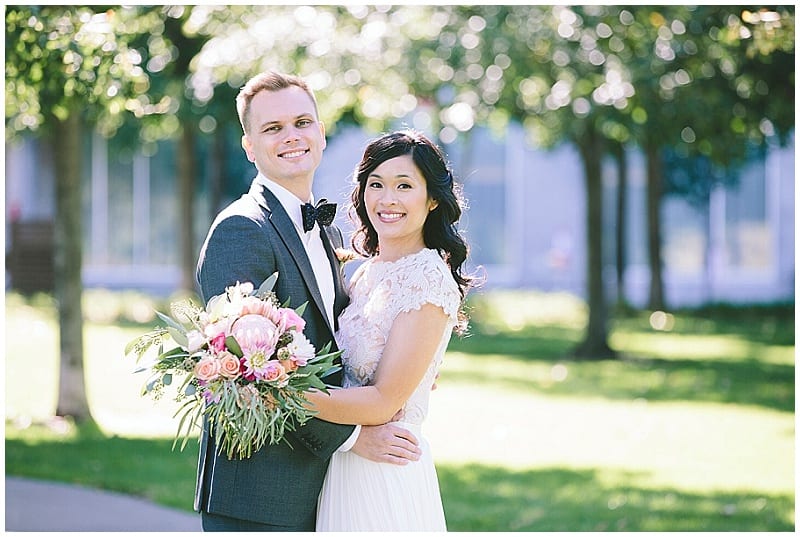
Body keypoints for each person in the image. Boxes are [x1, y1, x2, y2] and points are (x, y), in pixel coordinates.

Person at [194, 71, 422, 532]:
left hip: (329, 494)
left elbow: (333, 343)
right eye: (273, 129)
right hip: (260, 494)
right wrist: (353, 436)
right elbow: (248, 376)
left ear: (320, 132)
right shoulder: (241, 230)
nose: (292, 136)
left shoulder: (327, 230)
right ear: (249, 146)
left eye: (302, 122)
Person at [307, 129, 473, 531]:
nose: (388, 199)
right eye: (376, 184)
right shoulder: (366, 273)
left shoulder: (428, 279)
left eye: (404, 186)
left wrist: (284, 396)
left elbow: (384, 401)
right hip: (345, 465)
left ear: (433, 199)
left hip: (384, 471)